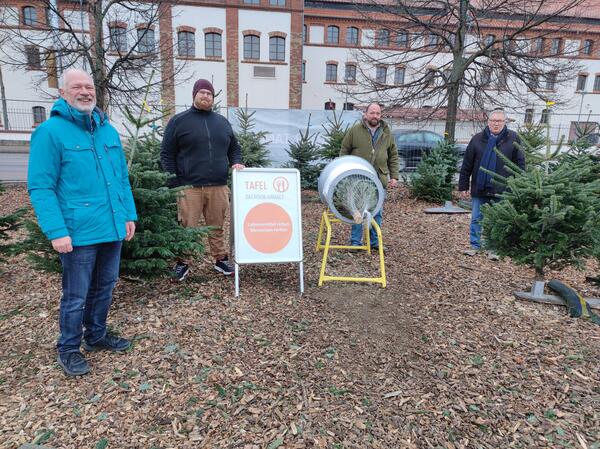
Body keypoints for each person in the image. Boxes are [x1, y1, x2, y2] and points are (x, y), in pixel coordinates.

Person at [28, 69, 137, 377]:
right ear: (63, 93)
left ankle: (96, 335)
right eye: (77, 86)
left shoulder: (107, 131)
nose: (85, 91)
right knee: (76, 295)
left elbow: (120, 179)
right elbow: (40, 186)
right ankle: (68, 347)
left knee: (105, 286)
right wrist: (56, 230)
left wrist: (129, 215)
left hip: (112, 226)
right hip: (77, 232)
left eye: (89, 86)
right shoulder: (50, 132)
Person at [160, 79, 244, 280]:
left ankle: (220, 260)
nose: (206, 96)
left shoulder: (222, 122)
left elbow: (235, 148)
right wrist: (175, 183)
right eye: (202, 92)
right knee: (187, 226)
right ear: (194, 95)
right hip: (189, 187)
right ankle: (183, 262)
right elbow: (166, 154)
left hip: (219, 186)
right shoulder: (178, 121)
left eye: (210, 94)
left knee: (217, 225)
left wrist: (237, 162)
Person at [458, 108, 525, 254]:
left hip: (502, 188)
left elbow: (520, 164)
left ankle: (493, 247)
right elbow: (467, 164)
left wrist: (519, 184)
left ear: (504, 122)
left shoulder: (513, 138)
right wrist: (463, 185)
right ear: (488, 122)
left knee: (498, 219)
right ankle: (475, 245)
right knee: (476, 218)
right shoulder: (477, 139)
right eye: (493, 120)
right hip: (479, 186)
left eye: (499, 121)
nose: (496, 124)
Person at [340, 103, 399, 250]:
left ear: (381, 115)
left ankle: (375, 243)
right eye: (372, 113)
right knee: (358, 210)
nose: (375, 116)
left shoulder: (386, 133)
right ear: (365, 114)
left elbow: (393, 155)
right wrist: (345, 172)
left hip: (379, 178)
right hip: (358, 179)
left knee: (377, 212)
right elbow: (344, 151)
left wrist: (394, 176)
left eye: (378, 113)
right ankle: (355, 242)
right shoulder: (354, 131)